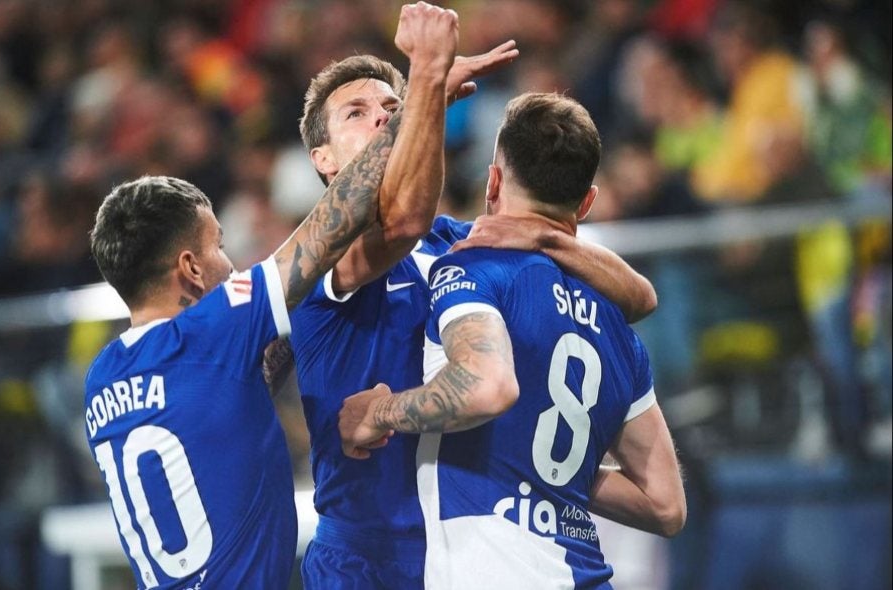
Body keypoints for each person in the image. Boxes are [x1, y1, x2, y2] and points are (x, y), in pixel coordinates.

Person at [277, 4, 656, 589]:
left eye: (391, 108)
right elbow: (400, 222)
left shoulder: (456, 243)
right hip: (367, 559)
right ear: (322, 160)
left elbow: (638, 296)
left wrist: (546, 237)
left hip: (468, 553)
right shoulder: (322, 256)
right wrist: (425, 86)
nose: (381, 119)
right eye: (356, 113)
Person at [339, 92, 686, 589]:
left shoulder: (473, 267)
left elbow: (487, 388)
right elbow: (666, 506)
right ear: (586, 203)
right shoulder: (618, 327)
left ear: (494, 181)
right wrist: (550, 466)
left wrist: (380, 412)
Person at [83, 79, 401, 590]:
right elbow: (331, 225)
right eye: (218, 246)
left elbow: (232, 394)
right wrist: (417, 105)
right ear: (190, 268)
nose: (229, 264)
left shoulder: (101, 377)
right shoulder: (210, 332)